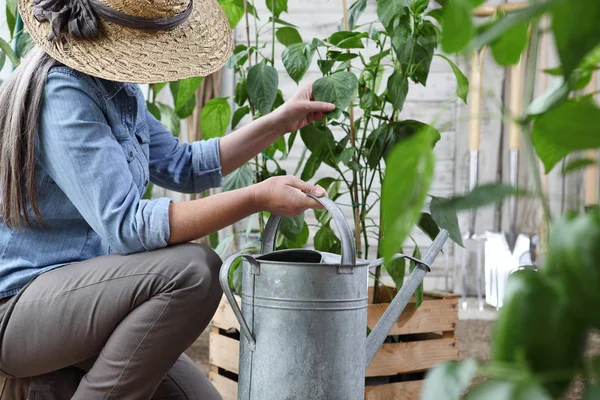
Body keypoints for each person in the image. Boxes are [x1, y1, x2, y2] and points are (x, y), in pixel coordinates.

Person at [0, 0, 334, 398]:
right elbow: (126, 225)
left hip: (89, 299)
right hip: (22, 310)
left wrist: (282, 120)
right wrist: (258, 197)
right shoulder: (63, 93)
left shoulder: (117, 89)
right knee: (195, 271)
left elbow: (185, 165)